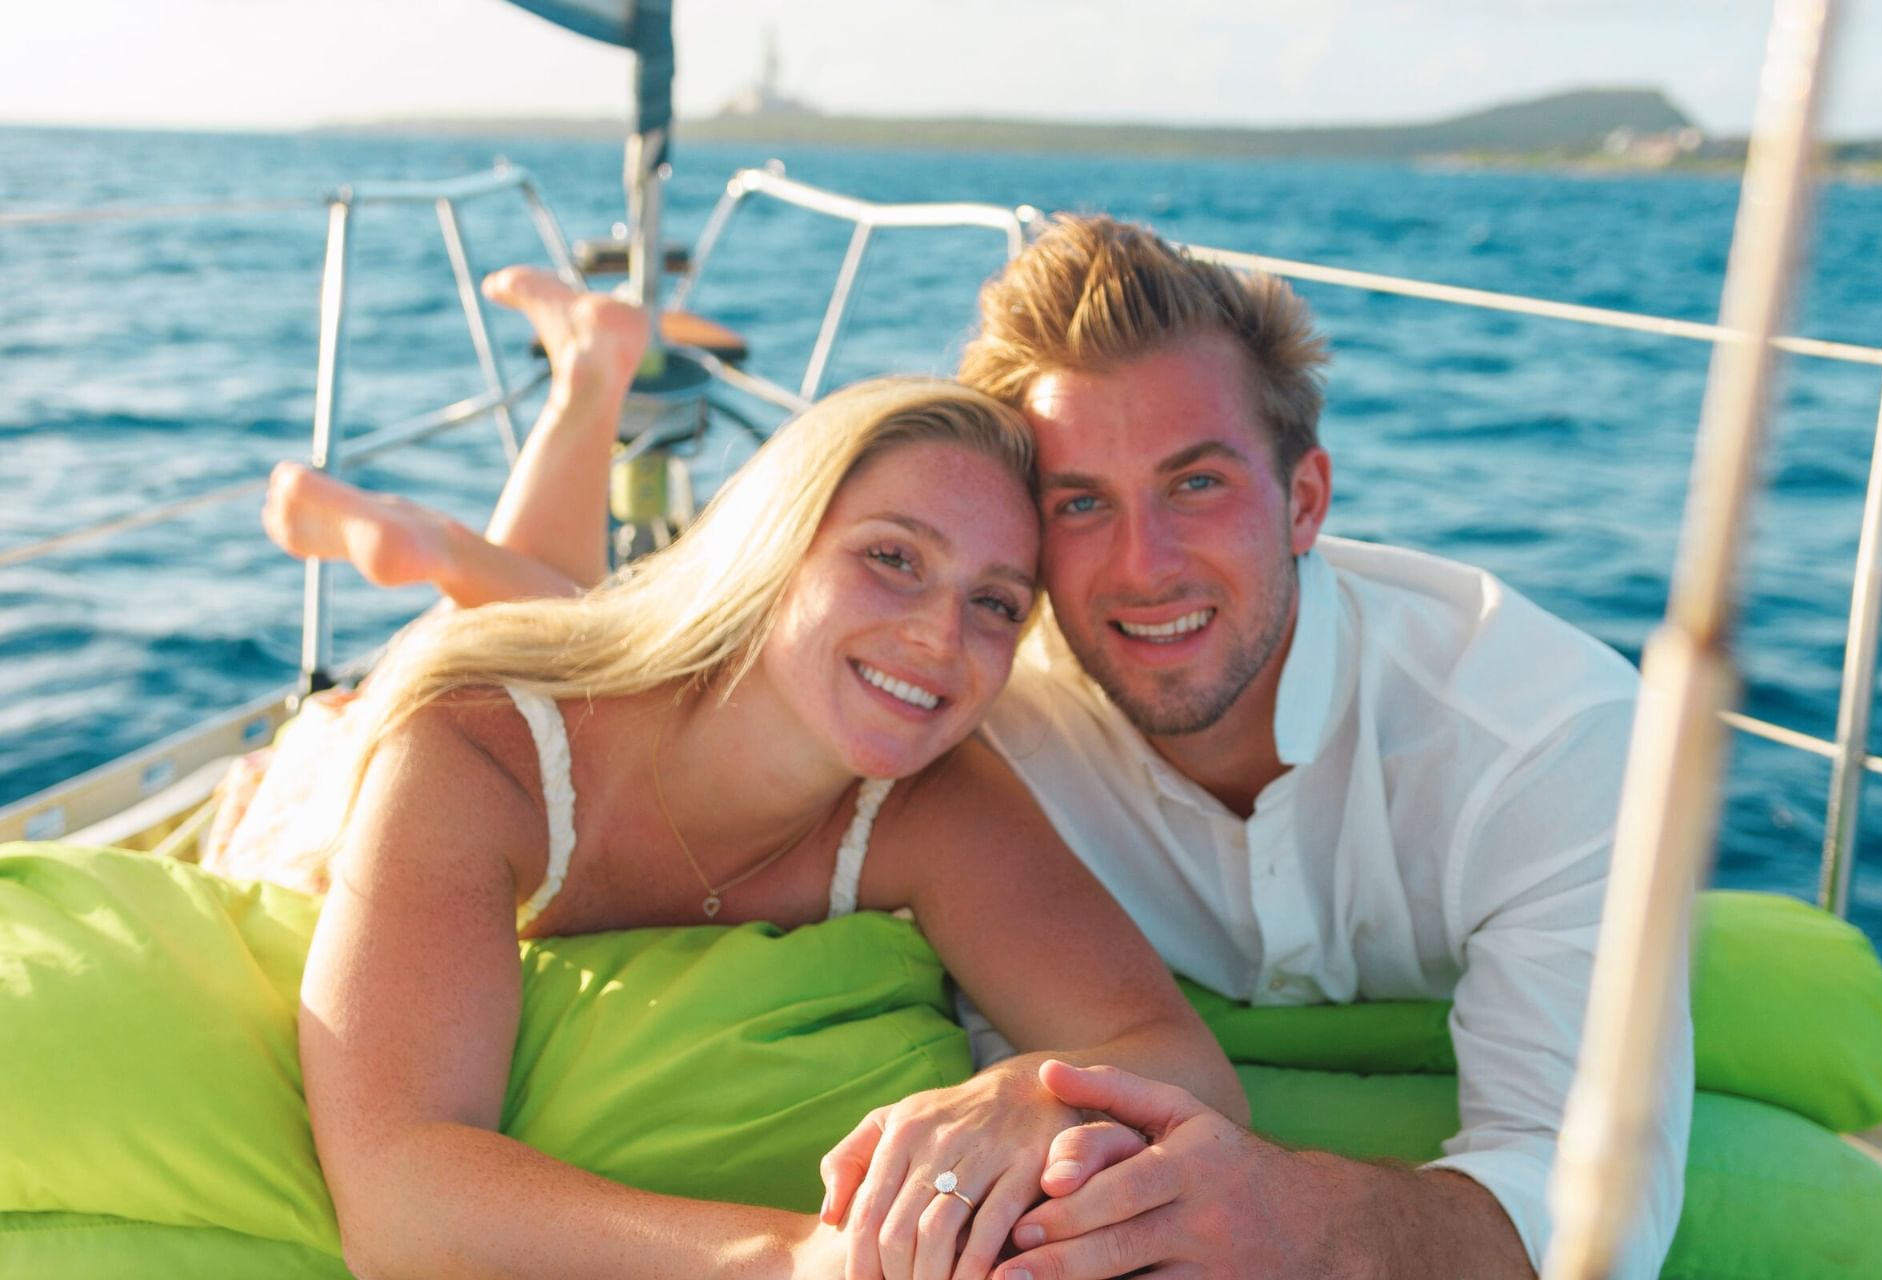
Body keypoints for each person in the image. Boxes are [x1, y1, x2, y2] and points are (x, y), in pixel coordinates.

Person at [230, 269, 1245, 1280]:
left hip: (633, 678)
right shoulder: (477, 749)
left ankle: (586, 374)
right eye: (892, 558)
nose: (941, 638)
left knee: (568, 613)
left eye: (995, 603)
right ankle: (457, 521)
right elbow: (398, 1195)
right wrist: (799, 1257)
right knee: (524, 640)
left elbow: (1174, 1057)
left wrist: (1034, 1093)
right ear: (778, 546)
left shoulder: (927, 797)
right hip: (325, 780)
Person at [925, 215, 1689, 1279]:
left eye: (1197, 483)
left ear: (1305, 500)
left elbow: (1591, 1209)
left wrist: (1304, 1222)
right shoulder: (987, 730)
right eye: (1082, 502)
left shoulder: (1543, 737)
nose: (1145, 565)